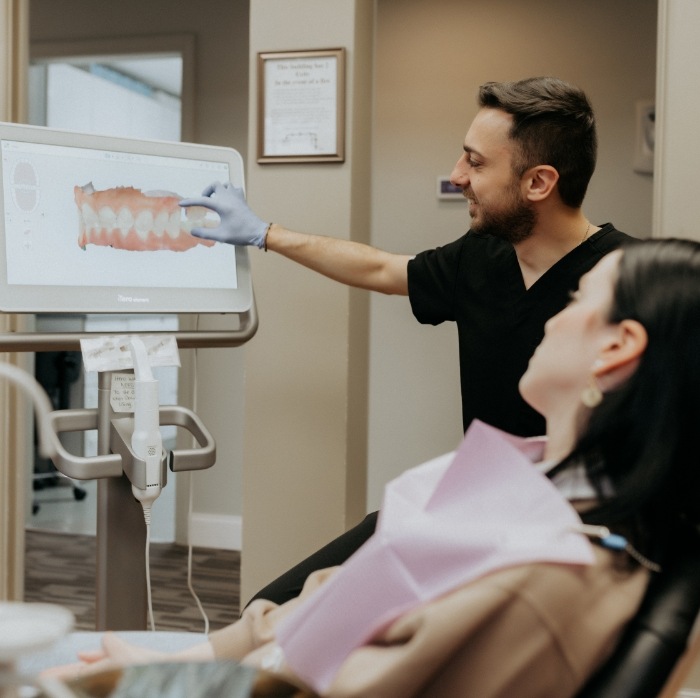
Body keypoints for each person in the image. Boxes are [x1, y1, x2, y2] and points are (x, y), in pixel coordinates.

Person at [46, 239, 700, 697]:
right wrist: (201, 657)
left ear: (616, 346)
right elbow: (365, 588)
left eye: (578, 299)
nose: (553, 319)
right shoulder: (542, 482)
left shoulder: (545, 579)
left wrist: (165, 686)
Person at [181, 76, 636, 606]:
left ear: (538, 183)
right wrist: (264, 232)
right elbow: (379, 267)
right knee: (275, 606)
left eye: (476, 162)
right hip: (471, 508)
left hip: (561, 540)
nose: (457, 175)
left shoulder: (628, 282)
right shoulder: (481, 257)